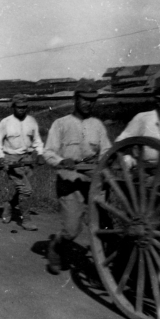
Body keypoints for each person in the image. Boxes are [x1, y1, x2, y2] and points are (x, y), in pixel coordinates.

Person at [42, 79, 112, 275]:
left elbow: (107, 150)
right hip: (69, 180)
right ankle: (56, 248)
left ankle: (105, 268)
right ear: (75, 99)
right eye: (84, 99)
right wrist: (62, 161)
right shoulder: (61, 124)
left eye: (92, 100)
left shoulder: (97, 125)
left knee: (103, 226)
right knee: (72, 230)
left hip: (93, 180)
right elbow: (48, 153)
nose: (88, 103)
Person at [0, 94, 44, 231]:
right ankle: (26, 220)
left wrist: (40, 153)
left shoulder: (32, 121)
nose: (22, 110)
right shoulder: (5, 122)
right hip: (11, 159)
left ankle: (9, 205)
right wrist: (2, 158)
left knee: (22, 190)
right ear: (13, 107)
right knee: (26, 190)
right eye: (19, 107)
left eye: (24, 107)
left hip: (27, 159)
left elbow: (37, 140)